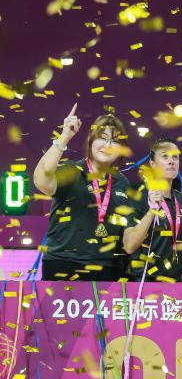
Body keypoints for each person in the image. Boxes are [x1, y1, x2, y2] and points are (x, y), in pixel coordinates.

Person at [33, 104, 133, 281]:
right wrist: (64, 136)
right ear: (90, 140)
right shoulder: (71, 171)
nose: (108, 145)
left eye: (115, 141)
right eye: (102, 138)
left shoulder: (122, 182)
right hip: (64, 265)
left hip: (109, 269)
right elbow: (41, 179)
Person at [123, 139, 182, 282]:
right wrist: (151, 211)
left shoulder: (180, 199)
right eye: (165, 156)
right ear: (152, 164)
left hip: (176, 282)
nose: (171, 161)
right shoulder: (139, 196)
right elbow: (129, 246)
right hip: (145, 282)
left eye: (175, 157)